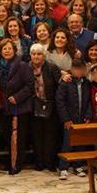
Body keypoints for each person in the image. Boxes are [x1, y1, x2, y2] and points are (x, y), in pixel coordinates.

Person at [0, 38, 32, 175]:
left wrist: (17, 97)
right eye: (4, 48)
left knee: (19, 137)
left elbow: (30, 86)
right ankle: (9, 162)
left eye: (9, 48)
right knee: (6, 135)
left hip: (19, 106)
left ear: (14, 50)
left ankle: (17, 164)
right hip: (4, 107)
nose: (7, 51)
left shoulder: (22, 65)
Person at [55, 59, 92, 180]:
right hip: (70, 118)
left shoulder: (87, 83)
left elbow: (89, 101)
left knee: (80, 143)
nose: (78, 71)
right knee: (67, 143)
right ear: (72, 69)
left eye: (81, 69)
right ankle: (63, 167)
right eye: (76, 69)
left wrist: (88, 115)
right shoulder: (66, 83)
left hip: (82, 117)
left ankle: (78, 165)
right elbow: (60, 102)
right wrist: (65, 119)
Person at [29, 44, 62, 173]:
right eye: (34, 54)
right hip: (34, 105)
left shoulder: (52, 67)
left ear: (44, 55)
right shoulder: (26, 67)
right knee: (36, 135)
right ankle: (39, 162)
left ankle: (50, 162)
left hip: (50, 105)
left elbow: (59, 86)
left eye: (39, 54)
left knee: (50, 135)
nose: (36, 56)